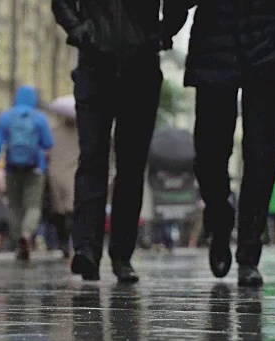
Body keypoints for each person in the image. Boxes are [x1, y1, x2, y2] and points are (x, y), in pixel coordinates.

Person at [184, 0, 275, 286]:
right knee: (209, 152)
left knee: (262, 151)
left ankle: (249, 249)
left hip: (269, 42)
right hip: (214, 42)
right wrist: (168, 24)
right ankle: (220, 220)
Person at [52, 0, 188, 283]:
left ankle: (122, 255)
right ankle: (86, 248)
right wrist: (80, 30)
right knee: (92, 156)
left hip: (141, 69)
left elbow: (178, 5)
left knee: (131, 164)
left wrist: (161, 35)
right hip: (93, 66)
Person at [0, 86, 54, 261]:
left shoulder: (6, 117)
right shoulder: (39, 118)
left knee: (14, 206)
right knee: (33, 206)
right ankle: (27, 234)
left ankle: (18, 241)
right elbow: (48, 143)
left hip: (12, 167)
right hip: (36, 168)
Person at [47, 116, 79, 258]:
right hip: (72, 174)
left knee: (58, 211)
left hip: (55, 174)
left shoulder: (53, 133)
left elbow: (46, 152)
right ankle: (73, 242)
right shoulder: (81, 133)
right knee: (72, 210)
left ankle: (63, 242)